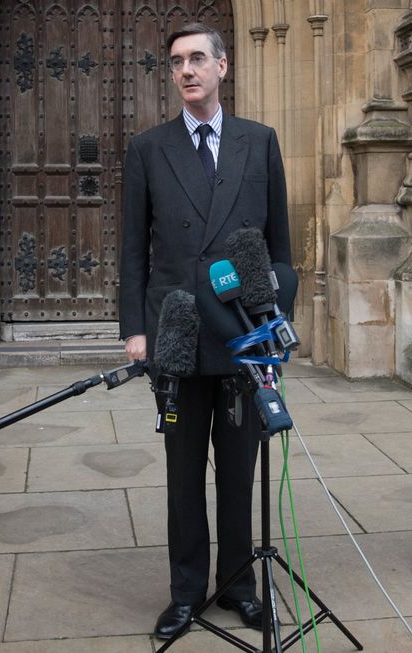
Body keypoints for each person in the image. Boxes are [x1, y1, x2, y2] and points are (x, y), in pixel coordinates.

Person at [119, 23, 291, 639]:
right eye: (176, 62)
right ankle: (187, 592)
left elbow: (278, 246)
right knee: (184, 472)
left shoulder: (259, 141)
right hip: (177, 335)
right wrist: (135, 330)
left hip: (242, 336)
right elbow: (133, 249)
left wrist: (273, 319)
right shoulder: (148, 148)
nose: (186, 70)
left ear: (223, 66)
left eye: (197, 59)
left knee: (241, 471)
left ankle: (240, 585)